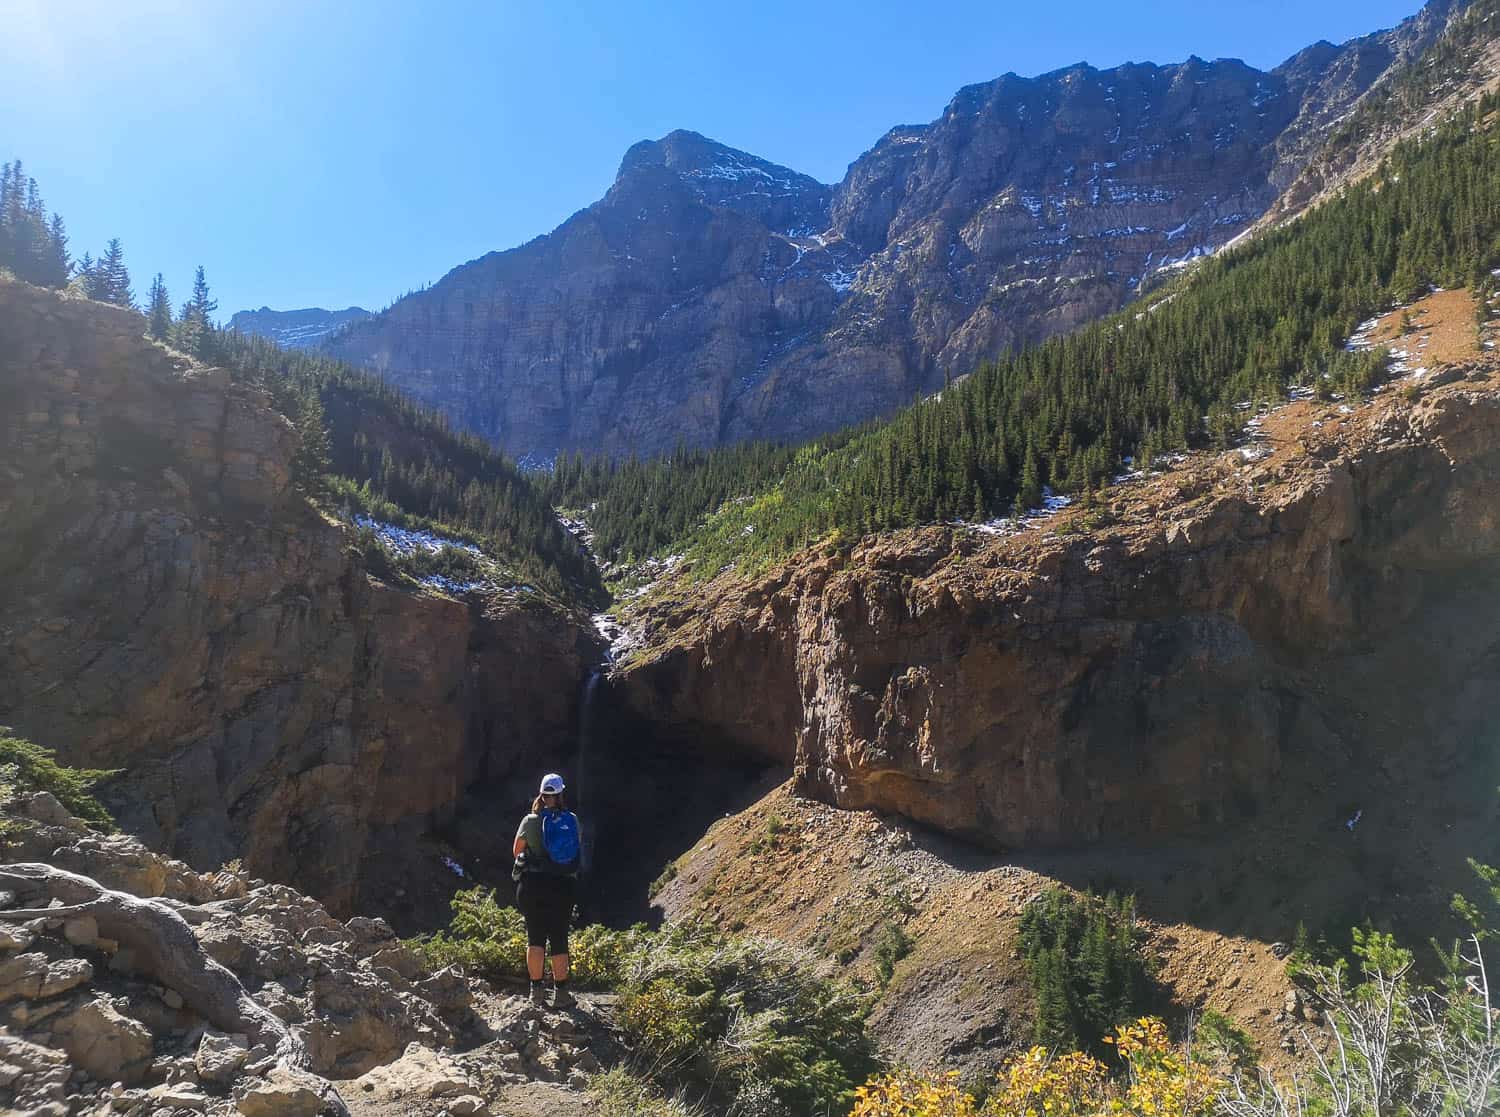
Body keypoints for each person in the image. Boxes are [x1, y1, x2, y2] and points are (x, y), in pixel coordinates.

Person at [513, 772, 582, 1008]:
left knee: (535, 937)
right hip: (563, 886)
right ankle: (561, 993)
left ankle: (536, 992)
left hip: (533, 886)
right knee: (559, 937)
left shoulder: (530, 821)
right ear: (561, 794)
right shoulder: (571, 819)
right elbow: (574, 852)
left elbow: (516, 852)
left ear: (542, 795)